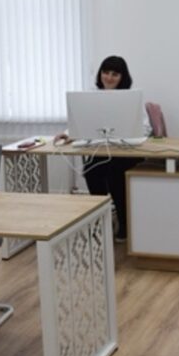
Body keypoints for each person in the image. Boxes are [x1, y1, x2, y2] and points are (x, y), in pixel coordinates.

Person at [58, 55, 145, 242]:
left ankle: (124, 223)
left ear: (122, 77)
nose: (109, 77)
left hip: (126, 153)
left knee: (115, 176)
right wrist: (68, 133)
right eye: (106, 72)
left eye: (115, 74)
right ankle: (100, 221)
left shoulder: (131, 98)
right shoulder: (91, 97)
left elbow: (144, 127)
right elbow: (81, 122)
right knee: (91, 170)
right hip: (101, 151)